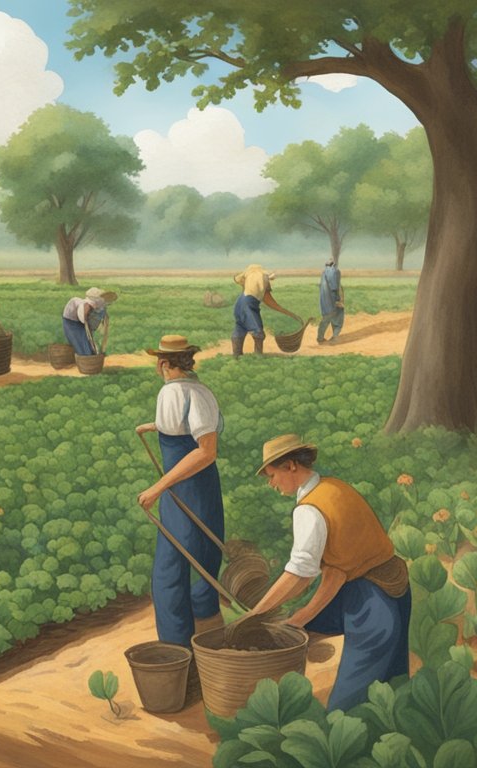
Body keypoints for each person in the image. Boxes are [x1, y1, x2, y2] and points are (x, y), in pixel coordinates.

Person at [242, 434, 410, 711]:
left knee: (347, 708)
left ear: (291, 466)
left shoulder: (310, 509)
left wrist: (255, 615)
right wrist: (301, 617)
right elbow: (336, 570)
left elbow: (300, 575)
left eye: (272, 475)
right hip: (394, 586)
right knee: (394, 688)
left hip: (371, 602)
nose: (271, 484)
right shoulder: (334, 487)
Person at [136, 335, 226, 648]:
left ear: (163, 364)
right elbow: (181, 428)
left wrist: (157, 487)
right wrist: (153, 426)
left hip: (185, 488)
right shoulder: (200, 390)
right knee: (203, 561)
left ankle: (178, 649)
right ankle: (210, 640)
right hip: (200, 487)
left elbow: (205, 451)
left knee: (171, 570)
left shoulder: (174, 392)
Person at [231, 264, 288, 356]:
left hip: (239, 304)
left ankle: (236, 355)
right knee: (258, 333)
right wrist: (284, 311)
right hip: (248, 306)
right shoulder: (263, 279)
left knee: (240, 328)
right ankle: (258, 356)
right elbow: (268, 299)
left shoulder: (247, 281)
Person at [61, 287, 118, 356]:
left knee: (87, 344)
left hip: (81, 320)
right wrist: (87, 325)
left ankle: (90, 355)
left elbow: (101, 315)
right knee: (79, 344)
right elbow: (84, 318)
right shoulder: (86, 304)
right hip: (71, 321)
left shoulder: (101, 304)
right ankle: (84, 357)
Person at [317, 260, 344, 343]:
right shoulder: (334, 271)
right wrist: (338, 300)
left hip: (324, 302)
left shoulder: (323, 273)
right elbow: (334, 287)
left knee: (325, 319)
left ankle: (320, 338)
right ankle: (334, 339)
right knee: (338, 320)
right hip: (333, 301)